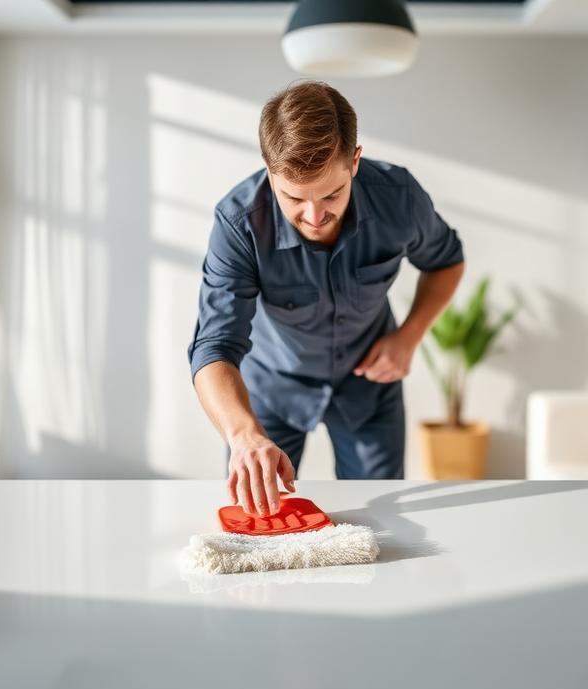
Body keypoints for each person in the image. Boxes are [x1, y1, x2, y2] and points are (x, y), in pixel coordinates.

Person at [188, 80, 464, 517]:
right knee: (260, 524)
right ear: (268, 167)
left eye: (332, 194)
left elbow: (447, 260)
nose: (315, 216)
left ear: (354, 161)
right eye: (293, 198)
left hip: (368, 388)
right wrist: (243, 434)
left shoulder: (399, 198)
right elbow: (213, 346)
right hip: (271, 391)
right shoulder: (238, 222)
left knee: (381, 522)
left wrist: (409, 336)